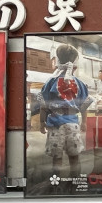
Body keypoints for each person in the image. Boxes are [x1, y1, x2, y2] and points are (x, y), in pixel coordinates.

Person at [39, 44, 91, 180]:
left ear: (57, 61)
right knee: (74, 157)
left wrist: (41, 122)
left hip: (55, 124)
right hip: (73, 124)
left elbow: (43, 105)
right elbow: (84, 106)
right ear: (74, 64)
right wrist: (84, 122)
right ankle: (75, 181)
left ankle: (55, 184)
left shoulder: (50, 82)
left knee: (57, 158)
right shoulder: (80, 83)